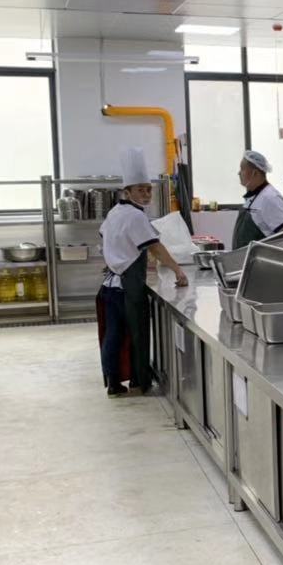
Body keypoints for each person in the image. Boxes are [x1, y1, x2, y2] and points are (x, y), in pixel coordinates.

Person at [97, 147, 188, 398]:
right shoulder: (135, 216)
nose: (146, 194)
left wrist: (117, 256)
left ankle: (113, 383)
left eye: (148, 189)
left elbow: (105, 237)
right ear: (127, 192)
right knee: (137, 335)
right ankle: (139, 383)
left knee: (113, 335)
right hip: (128, 288)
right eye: (140, 190)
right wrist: (178, 270)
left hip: (110, 287)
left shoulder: (115, 212)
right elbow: (155, 247)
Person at [233, 149, 283, 248]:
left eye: (242, 169)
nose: (239, 173)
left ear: (255, 173)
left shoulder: (270, 198)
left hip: (262, 257)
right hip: (246, 256)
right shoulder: (254, 197)